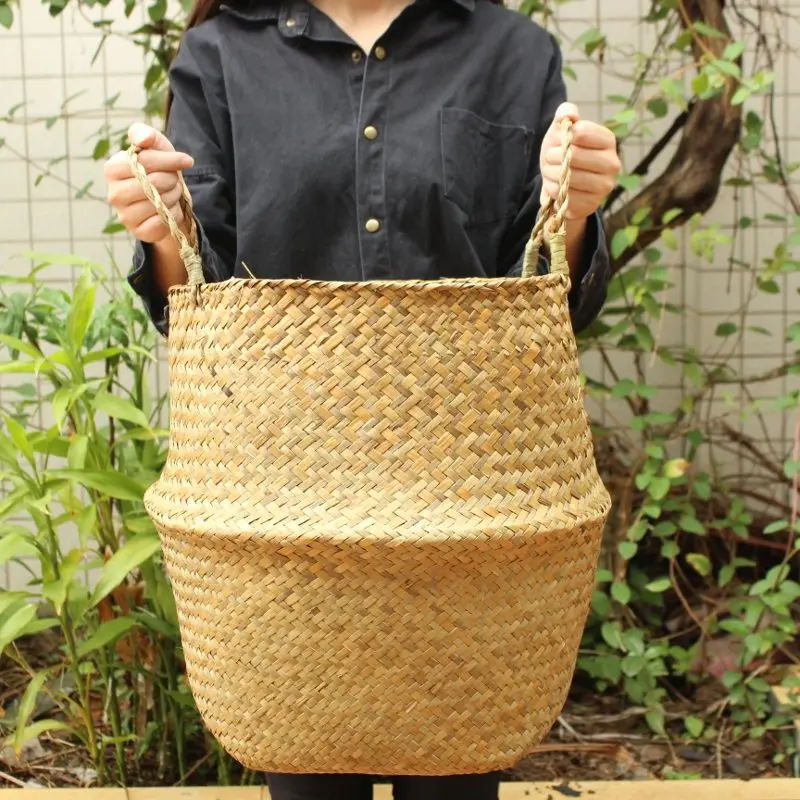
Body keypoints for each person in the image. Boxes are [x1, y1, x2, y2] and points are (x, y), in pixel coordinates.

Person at [105, 0, 621, 797]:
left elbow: (550, 294)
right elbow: (193, 299)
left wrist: (576, 209)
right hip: (282, 500)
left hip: (469, 498)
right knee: (307, 772)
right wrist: (161, 224)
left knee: (456, 770)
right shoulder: (222, 57)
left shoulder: (512, 52)